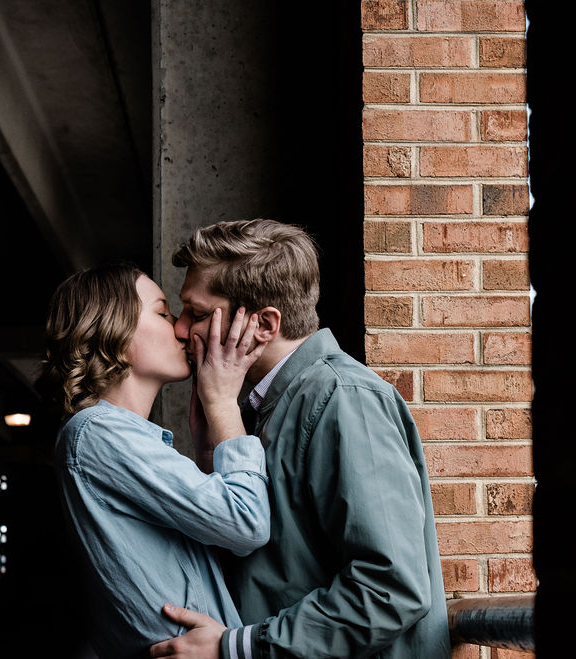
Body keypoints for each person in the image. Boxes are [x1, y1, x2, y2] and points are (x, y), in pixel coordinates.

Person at [149, 220, 451, 659]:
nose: (180, 329)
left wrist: (238, 647)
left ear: (265, 324)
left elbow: (390, 588)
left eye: (196, 313)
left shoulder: (344, 399)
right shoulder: (260, 407)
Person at [42, 262, 270, 659]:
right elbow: (246, 522)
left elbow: (205, 554)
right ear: (113, 330)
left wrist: (205, 457)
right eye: (163, 313)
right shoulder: (96, 432)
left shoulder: (120, 439)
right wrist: (223, 403)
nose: (181, 328)